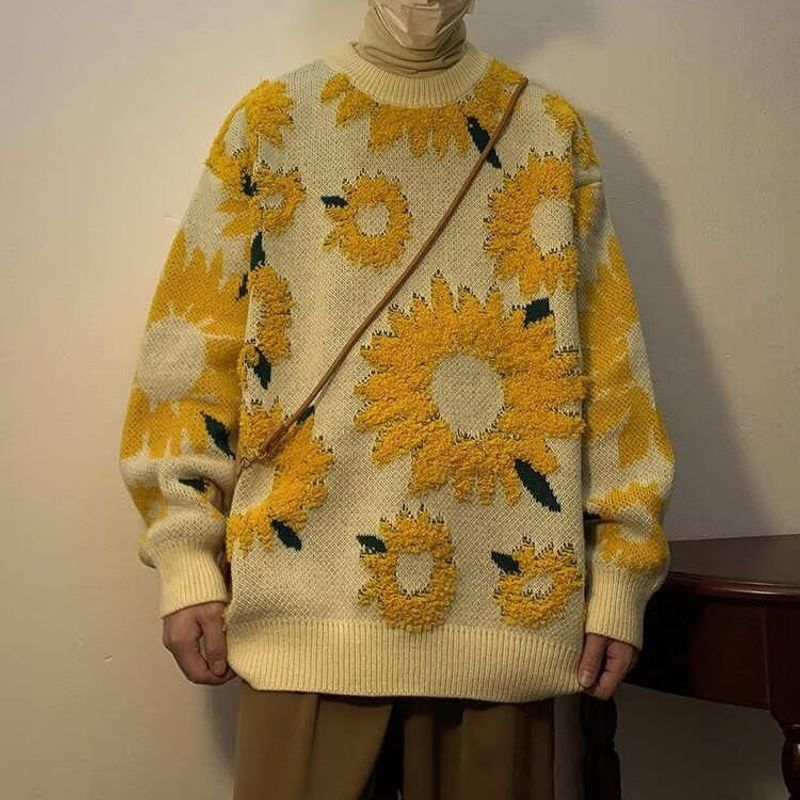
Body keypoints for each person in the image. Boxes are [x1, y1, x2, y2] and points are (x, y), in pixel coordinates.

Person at [117, 1, 676, 797]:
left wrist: (622, 575)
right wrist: (185, 559)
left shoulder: (548, 132)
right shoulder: (272, 123)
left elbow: (611, 366)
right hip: (301, 608)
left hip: (507, 620)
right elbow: (189, 350)